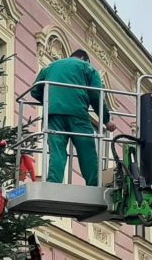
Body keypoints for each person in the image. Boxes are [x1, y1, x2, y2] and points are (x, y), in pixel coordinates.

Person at [28, 49, 116, 186]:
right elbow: (96, 95)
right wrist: (106, 120)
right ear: (84, 58)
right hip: (77, 113)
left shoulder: (50, 66)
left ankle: (53, 183)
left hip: (53, 115)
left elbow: (35, 91)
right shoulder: (88, 68)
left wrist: (51, 101)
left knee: (57, 151)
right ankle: (93, 185)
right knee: (87, 151)